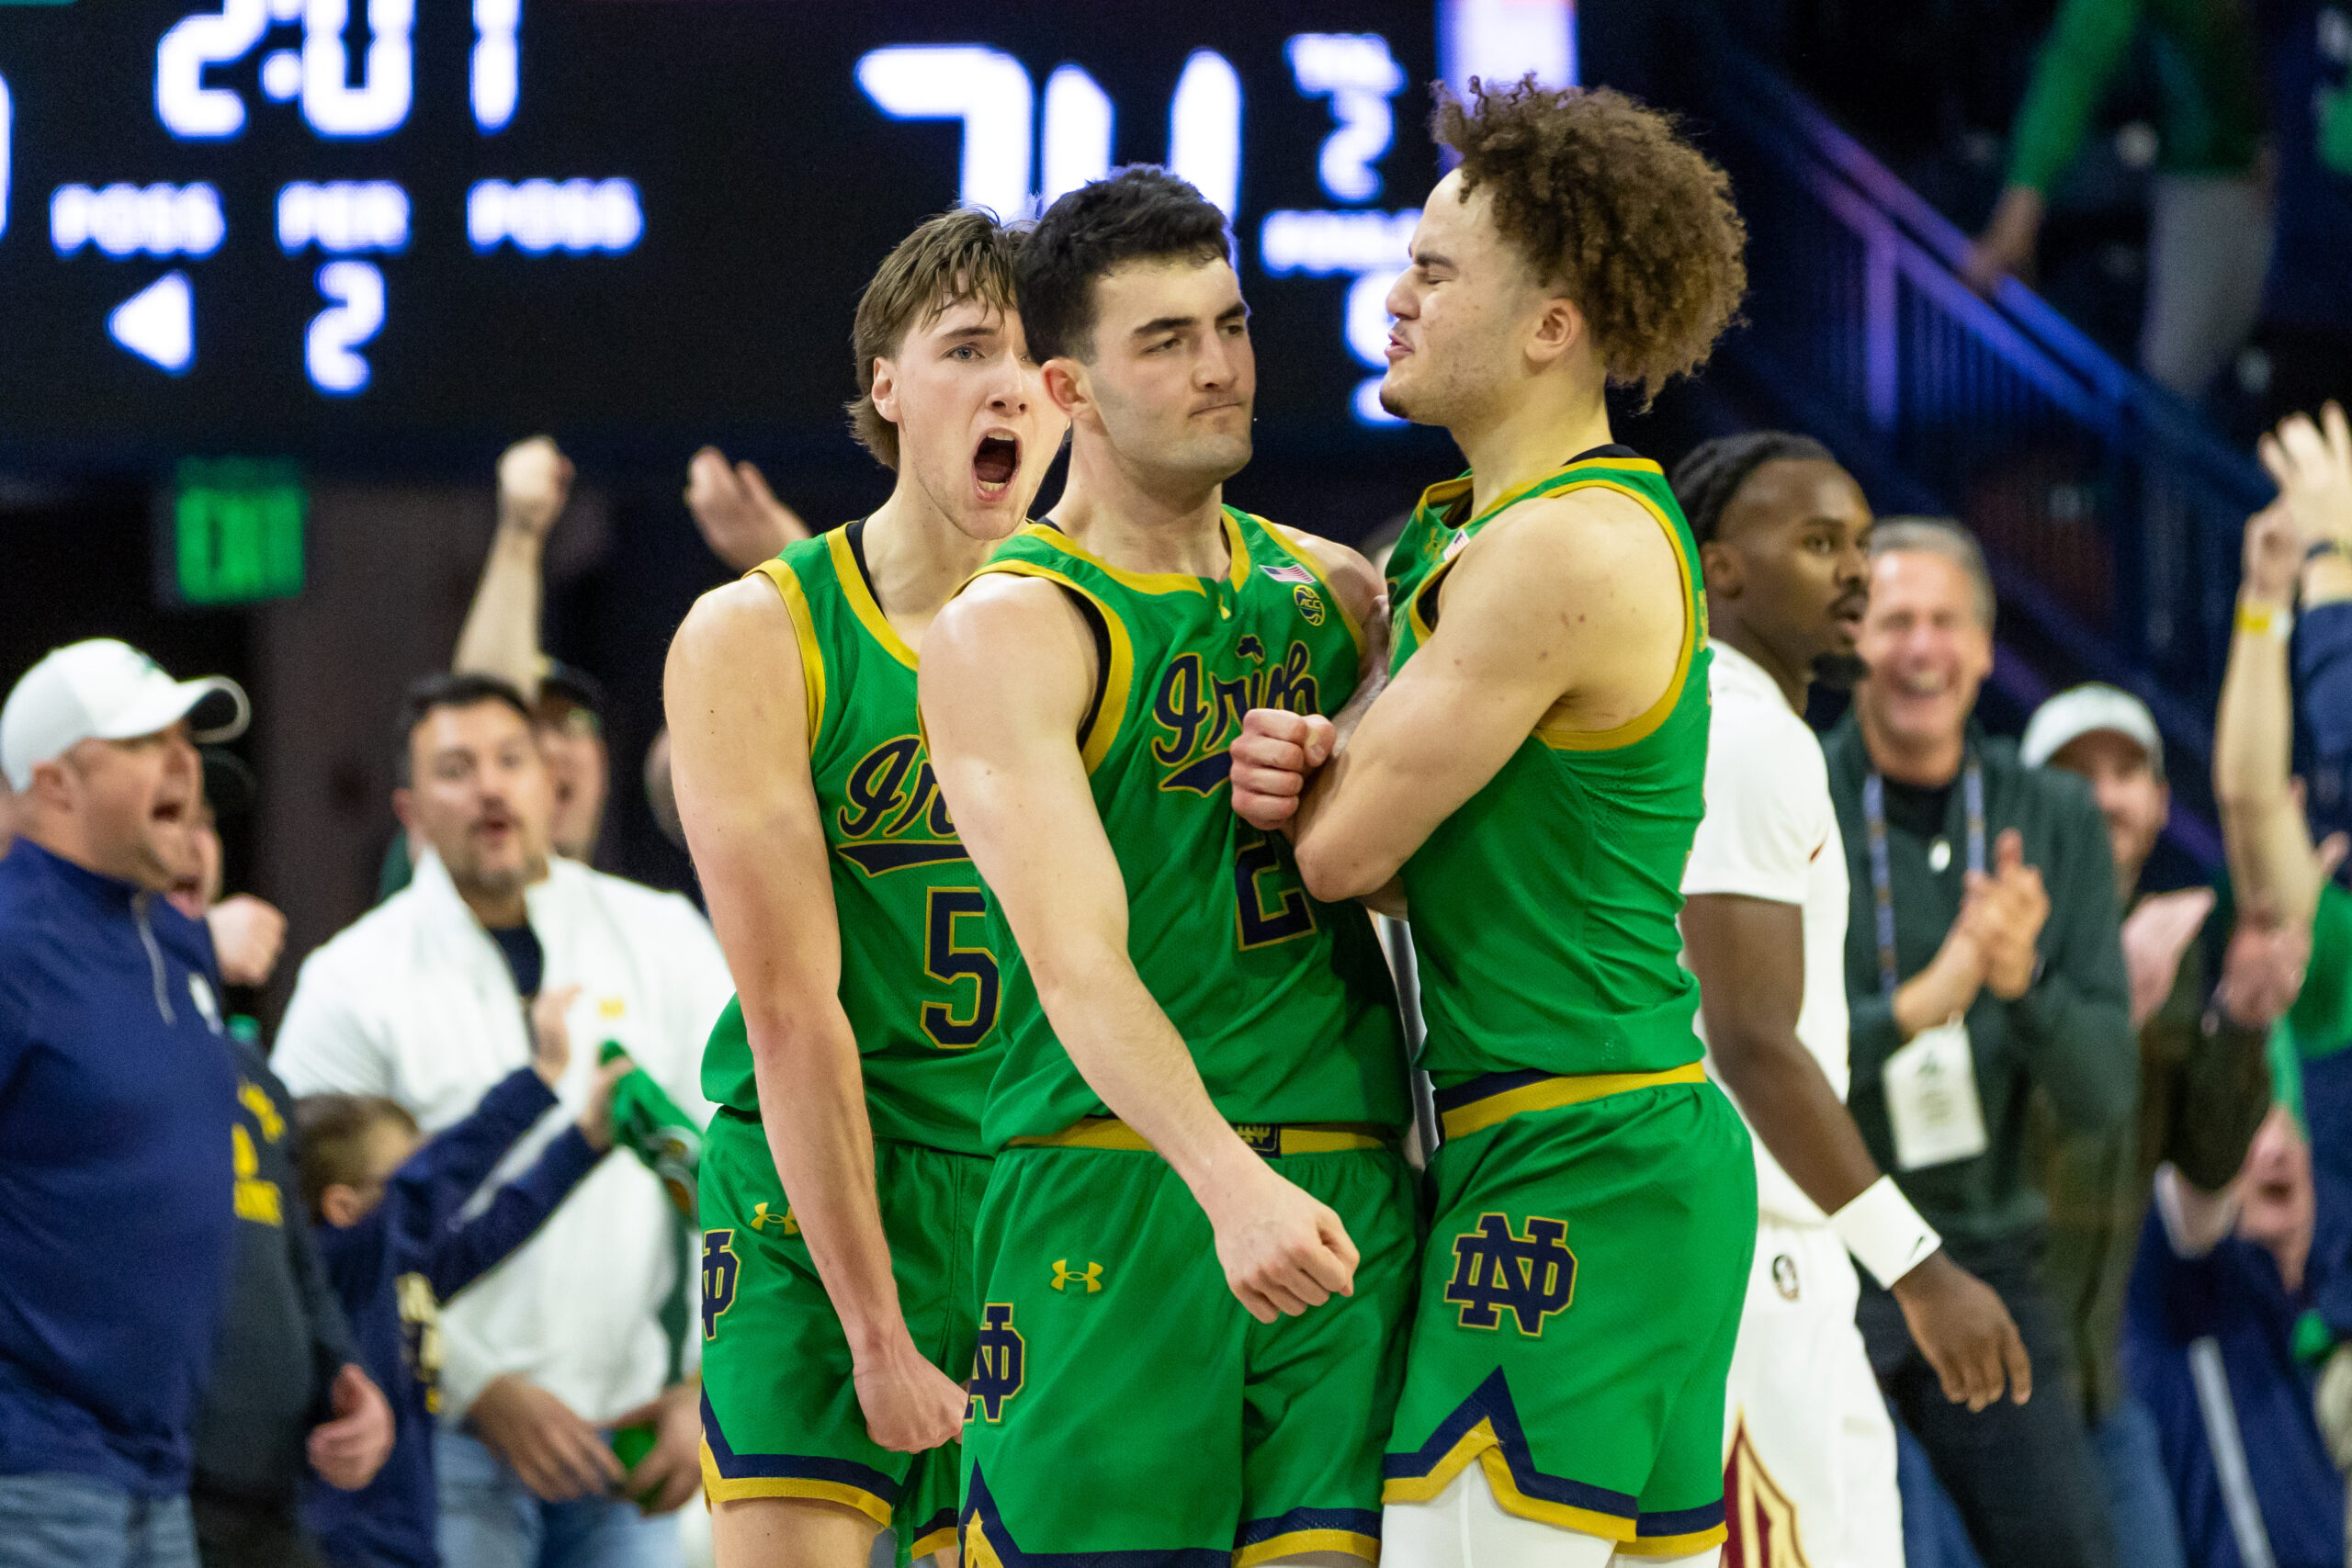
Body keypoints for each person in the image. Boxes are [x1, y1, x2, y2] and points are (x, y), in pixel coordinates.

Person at [1228, 80, 1751, 1566]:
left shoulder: (1560, 548)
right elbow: (1410, 871)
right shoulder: (1478, 525)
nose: (1392, 297)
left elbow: (1336, 856)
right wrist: (1344, 771)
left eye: (1436, 272)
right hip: (1596, 1137)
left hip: (1576, 1144)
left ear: (1553, 326)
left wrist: (1313, 765)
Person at [921, 167, 1415, 1565]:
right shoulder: (1010, 625)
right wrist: (1223, 1178)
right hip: (1121, 1179)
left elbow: (1409, 887)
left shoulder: (1337, 592)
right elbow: (1077, 959)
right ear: (1067, 389)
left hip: (1343, 1175)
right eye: (1168, 341)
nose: (1220, 370)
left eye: (1232, 324)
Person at [663, 208, 1064, 1568]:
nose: (1009, 382)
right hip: (818, 1176)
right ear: (886, 389)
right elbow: (790, 1013)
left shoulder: (1109, 627)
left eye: (1038, 357)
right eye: (966, 348)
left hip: (1032, 1183)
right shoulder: (760, 634)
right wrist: (877, 1327)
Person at [273, 672, 732, 1568]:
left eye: (510, 760)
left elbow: (744, 1171)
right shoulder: (351, 980)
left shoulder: (664, 935)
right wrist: (479, 1388)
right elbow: (311, 1237)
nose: (489, 785)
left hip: (637, 1436)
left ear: (547, 783)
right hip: (437, 1443)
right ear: (410, 808)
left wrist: (705, 1388)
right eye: (455, 768)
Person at [1668, 433, 2030, 1568]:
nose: (1857, 574)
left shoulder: (1740, 725)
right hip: (1749, 1263)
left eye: (1864, 544)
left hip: (1775, 1255)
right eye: (1818, 542)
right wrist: (1916, 1266)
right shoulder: (1738, 733)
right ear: (1719, 567)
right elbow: (1751, 1041)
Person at [1815, 518, 2136, 1568]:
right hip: (1825, 1254)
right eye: (1896, 620)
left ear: (1987, 649)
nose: (1921, 648)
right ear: (1855, 638)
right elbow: (1761, 1060)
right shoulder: (1796, 792)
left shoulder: (2052, 816)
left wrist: (2021, 983)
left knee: (2072, 1548)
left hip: (1987, 1251)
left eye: (1946, 622)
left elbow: (2101, 1098)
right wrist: (1922, 1001)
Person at [2022, 681, 2287, 1568]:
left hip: (2100, 1387)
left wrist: (2243, 1021)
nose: (2104, 794)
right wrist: (2109, 1013)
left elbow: (2206, 1167)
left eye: (2126, 770)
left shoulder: (2171, 957)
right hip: (1976, 1389)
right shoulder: (1989, 944)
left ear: (2161, 802)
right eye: (2076, 772)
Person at [0, 638, 249, 1568]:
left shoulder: (177, 946)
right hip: (31, 1474)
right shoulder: (12, 946)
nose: (185, 762)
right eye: (146, 741)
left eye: (187, 738)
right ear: (55, 783)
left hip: (158, 1472)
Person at [296, 988, 630, 1568]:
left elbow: (499, 1225)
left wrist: (584, 1141)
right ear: (343, 1208)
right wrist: (542, 1075)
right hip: (343, 1543)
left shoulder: (401, 1270)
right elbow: (433, 1183)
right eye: (403, 1168)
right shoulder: (339, 1267)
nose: (426, 1173)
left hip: (406, 1537)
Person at [173, 799, 395, 1568]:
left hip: (275, 1485)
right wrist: (188, 947)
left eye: (205, 820)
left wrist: (346, 1372)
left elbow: (296, 1257)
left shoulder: (255, 1074)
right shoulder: (96, 1040)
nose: (191, 844)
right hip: (162, 1482)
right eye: (165, 818)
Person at [1965, 0, 2268, 398]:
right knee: (2174, 381)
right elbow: (2079, 55)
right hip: (2219, 172)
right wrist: (2020, 207)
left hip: (2300, 171)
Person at [2121, 1107, 2346, 1568]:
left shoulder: (2290, 1298)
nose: (2277, 1151)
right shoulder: (2185, 1286)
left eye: (2288, 1134)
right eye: (2249, 1139)